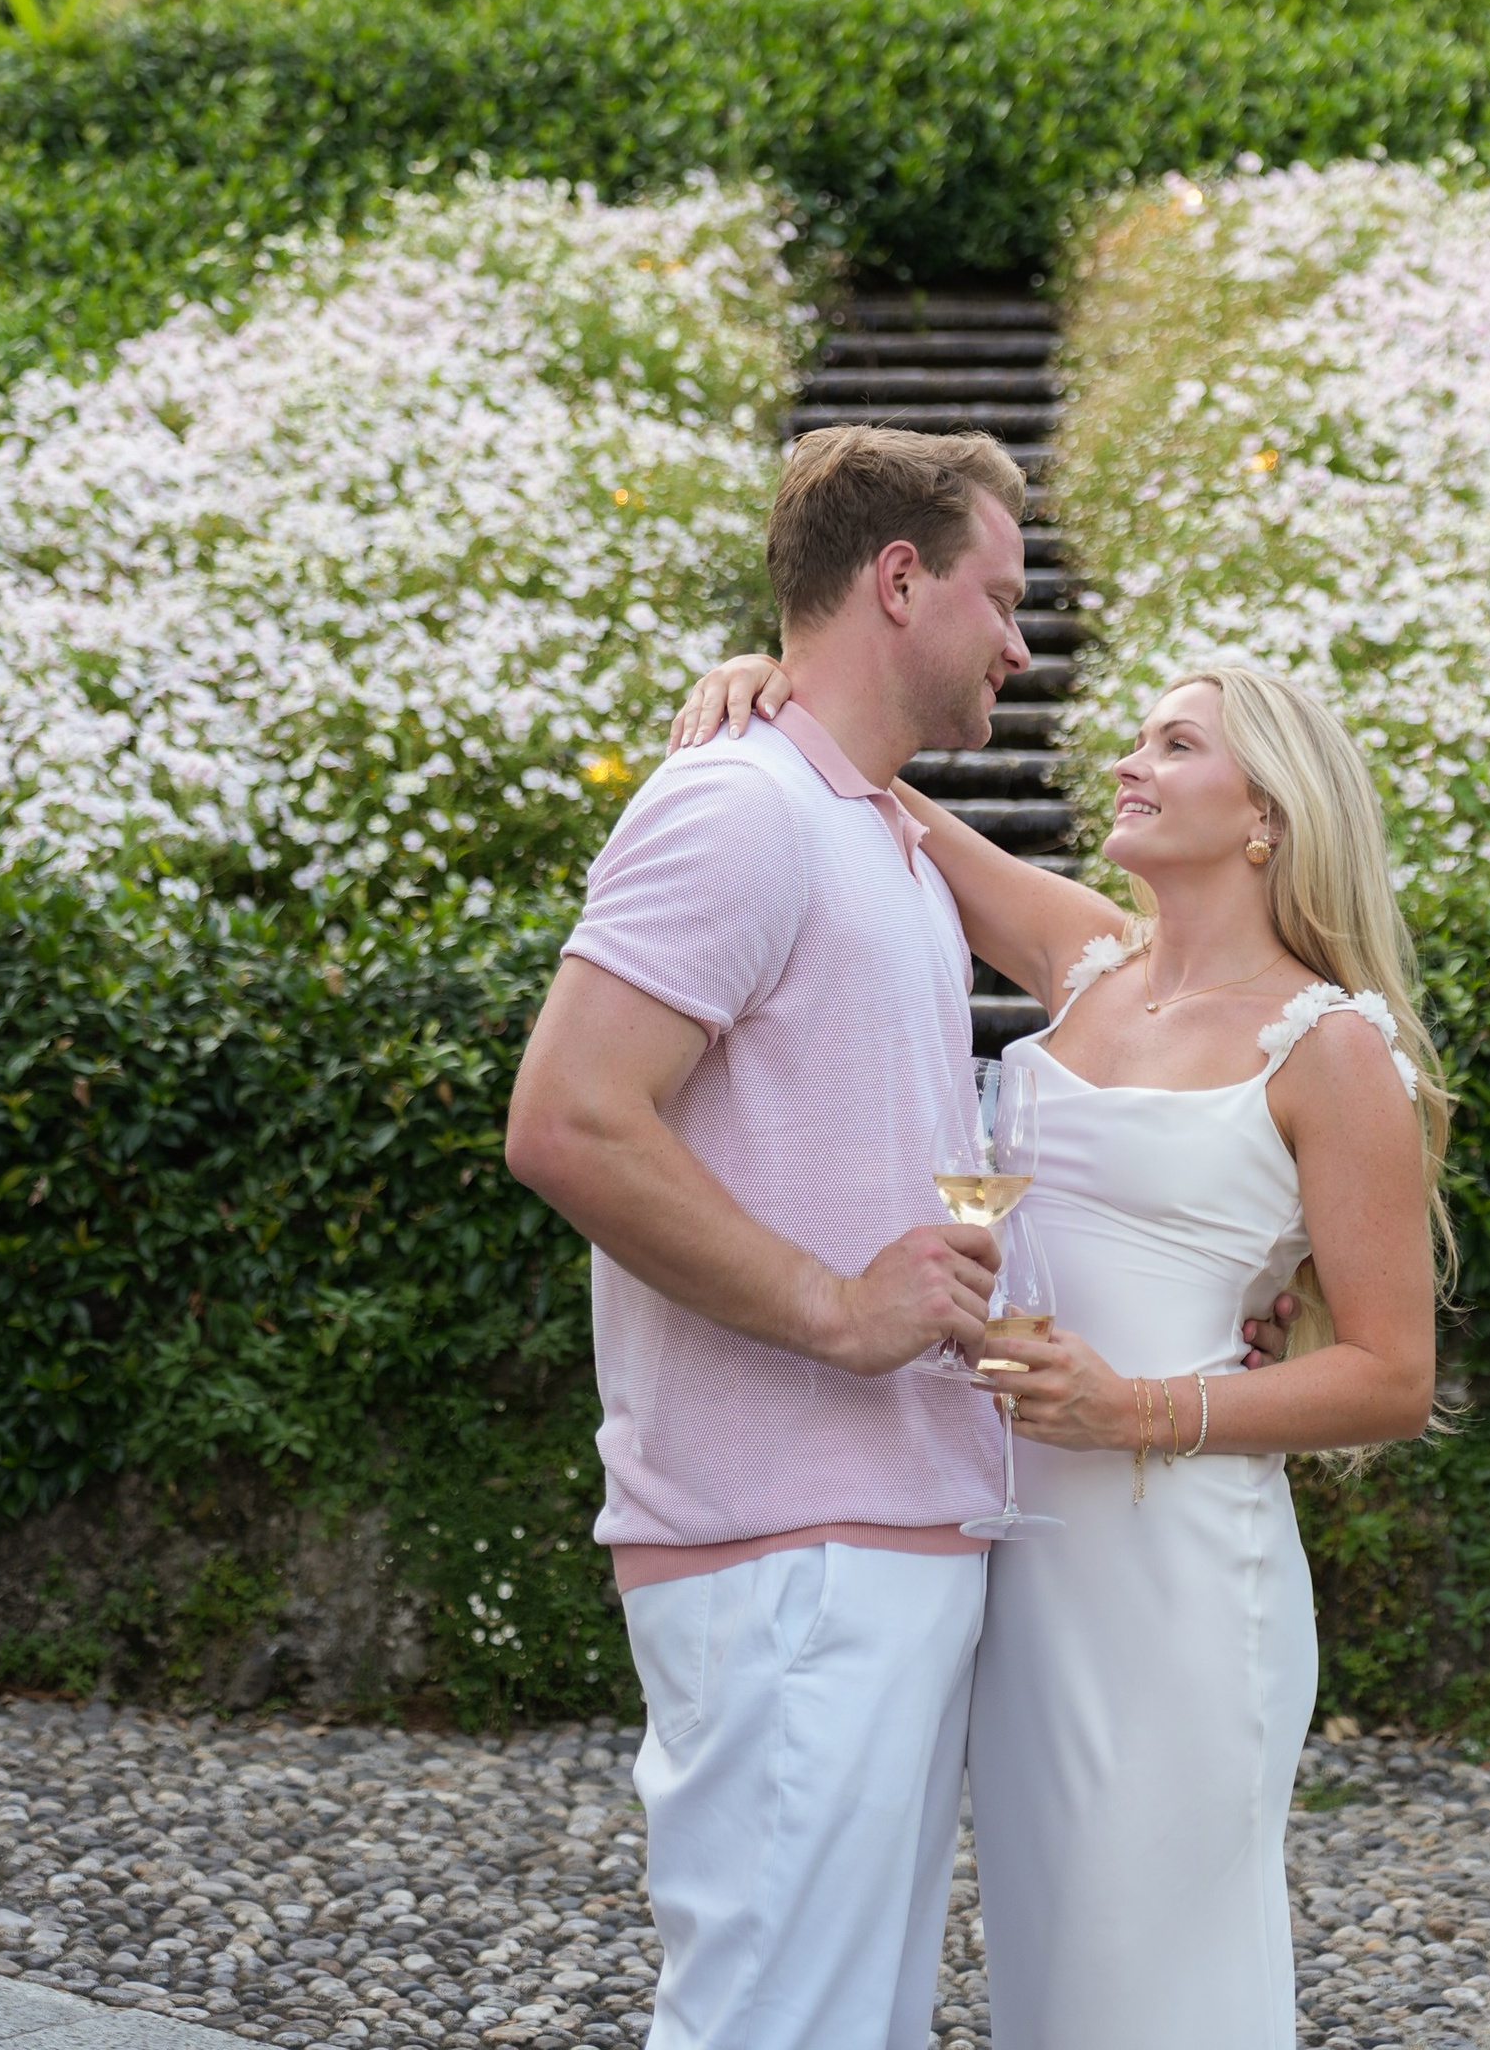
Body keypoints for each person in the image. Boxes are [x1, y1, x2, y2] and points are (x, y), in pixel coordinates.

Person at [668, 644, 1450, 2050]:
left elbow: (1395, 1378)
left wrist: (1136, 1406)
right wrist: (772, 680)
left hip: (1179, 1573)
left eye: (1176, 746)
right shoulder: (1090, 961)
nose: (1130, 765)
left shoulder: (1331, 1047)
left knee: (1155, 1977)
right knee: (1049, 1970)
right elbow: (880, 796)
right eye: (1138, 739)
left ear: (1267, 815)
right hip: (1018, 1556)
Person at [503, 424, 1030, 2050]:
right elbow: (569, 1119)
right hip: (790, 1549)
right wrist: (831, 1307)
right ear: (900, 581)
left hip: (878, 1534)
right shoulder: (736, 807)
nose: (1021, 646)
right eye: (1004, 599)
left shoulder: (870, 831)